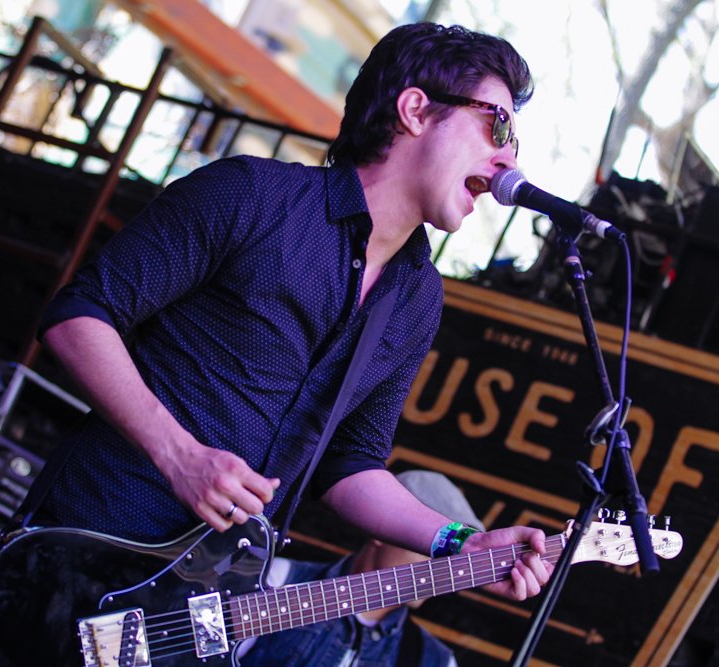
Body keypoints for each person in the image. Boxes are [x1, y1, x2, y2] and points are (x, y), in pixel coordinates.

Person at [31, 21, 551, 606]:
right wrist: (179, 456)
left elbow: (349, 464)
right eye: (496, 124)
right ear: (414, 111)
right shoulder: (251, 194)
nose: (508, 158)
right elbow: (77, 316)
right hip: (83, 547)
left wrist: (461, 543)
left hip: (195, 605)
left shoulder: (418, 297)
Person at [237, 469, 485, 667]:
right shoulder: (278, 580)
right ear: (381, 532)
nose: (440, 569)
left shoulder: (435, 660)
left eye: (450, 559)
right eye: (432, 549)